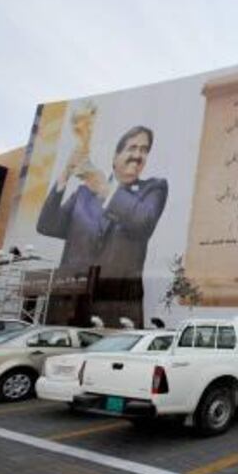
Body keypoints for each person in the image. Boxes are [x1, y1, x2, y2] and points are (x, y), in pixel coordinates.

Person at [37, 125, 168, 328]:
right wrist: (66, 173)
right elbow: (47, 225)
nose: (138, 155)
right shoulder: (83, 194)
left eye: (144, 149)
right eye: (132, 148)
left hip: (116, 306)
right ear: (115, 156)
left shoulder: (153, 189)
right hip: (68, 304)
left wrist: (104, 188)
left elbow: (143, 222)